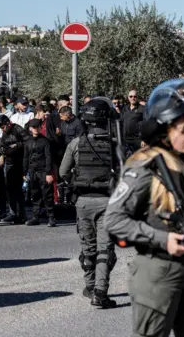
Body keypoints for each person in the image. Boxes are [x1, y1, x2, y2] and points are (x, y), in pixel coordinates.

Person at [104, 79, 184, 336]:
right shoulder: (144, 168)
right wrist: (163, 239)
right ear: (163, 132)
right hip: (158, 272)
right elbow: (114, 220)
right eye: (183, 130)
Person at [60, 97, 120, 309]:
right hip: (107, 203)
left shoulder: (76, 143)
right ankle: (100, 293)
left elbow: (63, 173)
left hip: (83, 202)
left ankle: (91, 286)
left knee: (88, 247)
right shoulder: (114, 145)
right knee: (105, 250)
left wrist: (77, 184)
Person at [23, 118, 55, 227]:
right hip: (32, 171)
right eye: (34, 127)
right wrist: (24, 172)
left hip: (43, 171)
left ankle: (51, 217)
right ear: (30, 128)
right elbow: (26, 157)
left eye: (38, 127)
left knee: (47, 195)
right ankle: (35, 217)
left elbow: (48, 157)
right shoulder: (28, 142)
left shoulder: (45, 141)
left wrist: (49, 173)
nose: (36, 129)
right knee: (35, 194)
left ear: (41, 128)